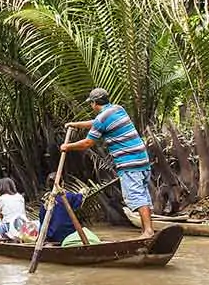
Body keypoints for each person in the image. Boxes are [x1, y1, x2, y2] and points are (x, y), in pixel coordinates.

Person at [62, 87, 155, 238]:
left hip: (129, 163)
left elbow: (88, 143)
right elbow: (96, 123)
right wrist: (75, 124)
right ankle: (146, 230)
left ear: (94, 103)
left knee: (137, 196)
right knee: (143, 195)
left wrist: (67, 146)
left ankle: (148, 231)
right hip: (142, 159)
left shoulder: (101, 119)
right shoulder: (118, 109)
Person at [38, 172, 101, 245]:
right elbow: (77, 203)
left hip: (51, 235)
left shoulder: (45, 200)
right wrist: (81, 193)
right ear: (62, 183)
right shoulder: (67, 196)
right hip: (67, 233)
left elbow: (42, 220)